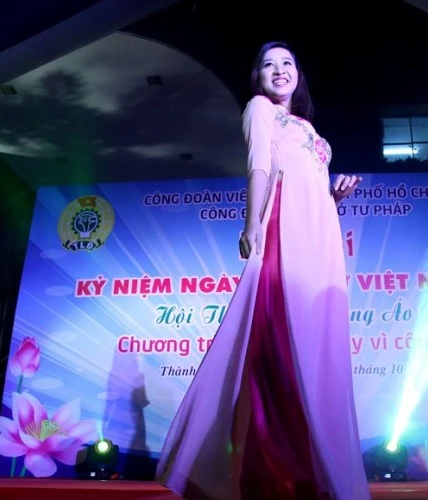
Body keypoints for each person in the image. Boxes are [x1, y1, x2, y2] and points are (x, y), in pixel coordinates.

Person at [156, 41, 371, 500]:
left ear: (299, 74)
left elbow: (307, 184)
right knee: (278, 341)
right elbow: (260, 167)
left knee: (314, 344)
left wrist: (334, 197)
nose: (279, 70)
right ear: (257, 77)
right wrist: (252, 222)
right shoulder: (260, 109)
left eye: (287, 63)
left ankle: (314, 466)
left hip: (320, 237)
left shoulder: (308, 127)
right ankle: (273, 471)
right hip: (283, 231)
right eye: (269, 65)